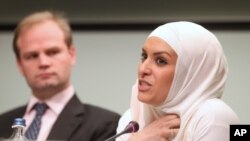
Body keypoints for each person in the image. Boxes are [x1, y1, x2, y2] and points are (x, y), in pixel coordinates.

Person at [0, 10, 120, 141]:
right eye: (32, 56)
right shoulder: (2, 123)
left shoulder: (107, 125)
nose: (43, 63)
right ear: (20, 65)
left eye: (52, 52)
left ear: (72, 54)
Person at [116, 21, 240, 141]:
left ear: (190, 74)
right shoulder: (131, 119)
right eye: (144, 56)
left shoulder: (216, 117)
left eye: (161, 61)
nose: (143, 69)